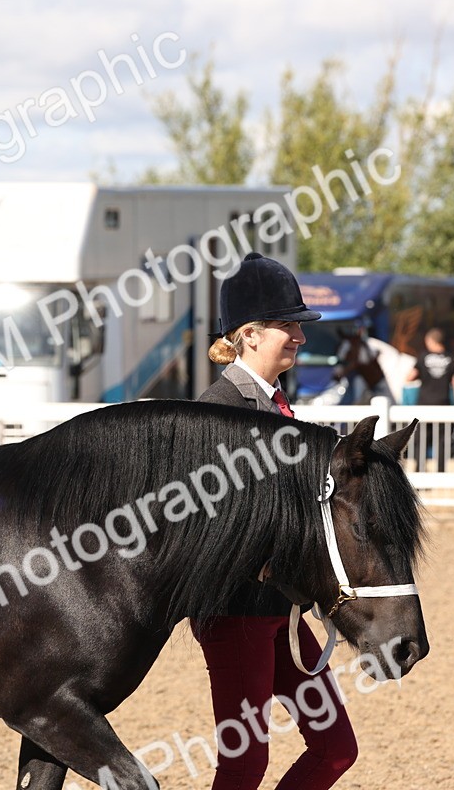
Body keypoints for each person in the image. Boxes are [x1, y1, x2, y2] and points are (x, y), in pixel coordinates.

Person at [194, 252, 358, 790]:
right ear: (249, 334)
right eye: (289, 325)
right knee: (245, 765)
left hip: (282, 611)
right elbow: (210, 519)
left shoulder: (277, 404)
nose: (300, 337)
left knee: (336, 748)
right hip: (236, 611)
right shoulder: (220, 408)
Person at [405, 328, 454, 472]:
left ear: (430, 341)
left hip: (424, 406)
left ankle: (420, 471)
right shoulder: (450, 358)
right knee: (443, 442)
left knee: (421, 442)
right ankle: (440, 472)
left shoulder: (423, 357)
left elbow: (409, 377)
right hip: (443, 406)